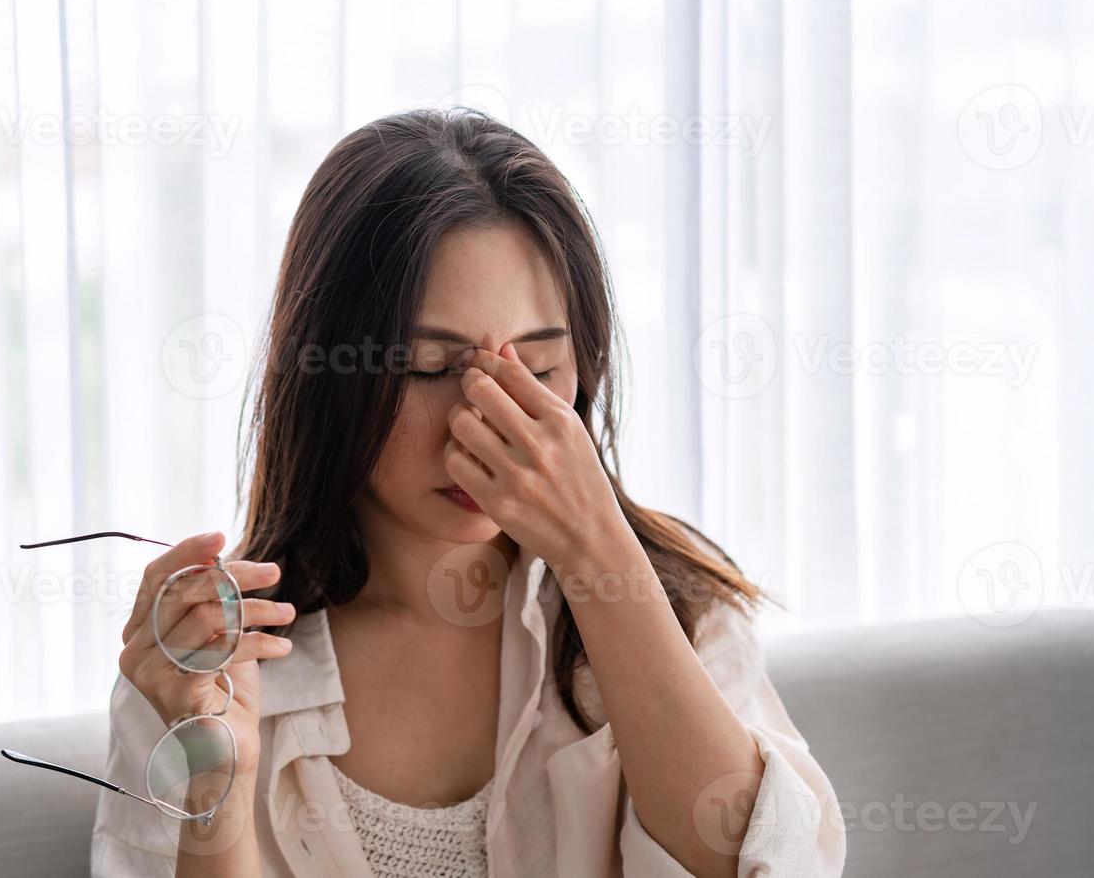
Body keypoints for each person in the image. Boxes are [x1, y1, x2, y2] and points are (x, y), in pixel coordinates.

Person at [91, 108, 846, 877]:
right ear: (324, 375)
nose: (486, 421)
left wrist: (597, 552)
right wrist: (217, 790)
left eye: (541, 371)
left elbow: (776, 866)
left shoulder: (675, 610)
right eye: (427, 367)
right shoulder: (204, 666)